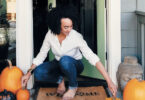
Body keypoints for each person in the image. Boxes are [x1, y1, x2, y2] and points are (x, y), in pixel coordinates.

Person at [21, 5, 117, 100]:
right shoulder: (50, 35)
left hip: (75, 65)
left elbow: (92, 57)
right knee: (38, 72)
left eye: (71, 26)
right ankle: (60, 80)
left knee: (65, 60)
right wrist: (29, 73)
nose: (70, 30)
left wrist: (109, 81)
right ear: (57, 26)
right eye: (66, 27)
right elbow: (41, 55)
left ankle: (73, 87)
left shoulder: (76, 36)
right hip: (58, 63)